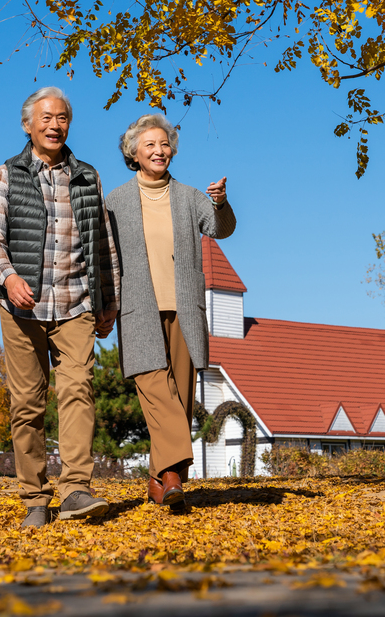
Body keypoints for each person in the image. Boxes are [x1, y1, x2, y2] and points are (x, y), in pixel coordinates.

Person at [0, 86, 120, 528]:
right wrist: (10, 277)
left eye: (61, 117)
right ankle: (36, 498)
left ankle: (76, 488)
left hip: (76, 301)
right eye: (45, 118)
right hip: (22, 307)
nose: (54, 124)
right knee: (28, 404)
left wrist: (109, 298)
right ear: (28, 125)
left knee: (78, 389)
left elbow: (103, 244)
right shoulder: (5, 175)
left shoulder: (88, 177)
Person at [105, 114, 235, 510]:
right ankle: (175, 475)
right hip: (136, 309)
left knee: (179, 396)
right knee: (155, 390)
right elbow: (104, 257)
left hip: (184, 308)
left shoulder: (189, 196)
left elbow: (221, 228)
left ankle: (158, 481)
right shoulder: (114, 202)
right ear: (133, 153)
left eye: (164, 145)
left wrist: (221, 202)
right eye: (150, 145)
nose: (159, 151)